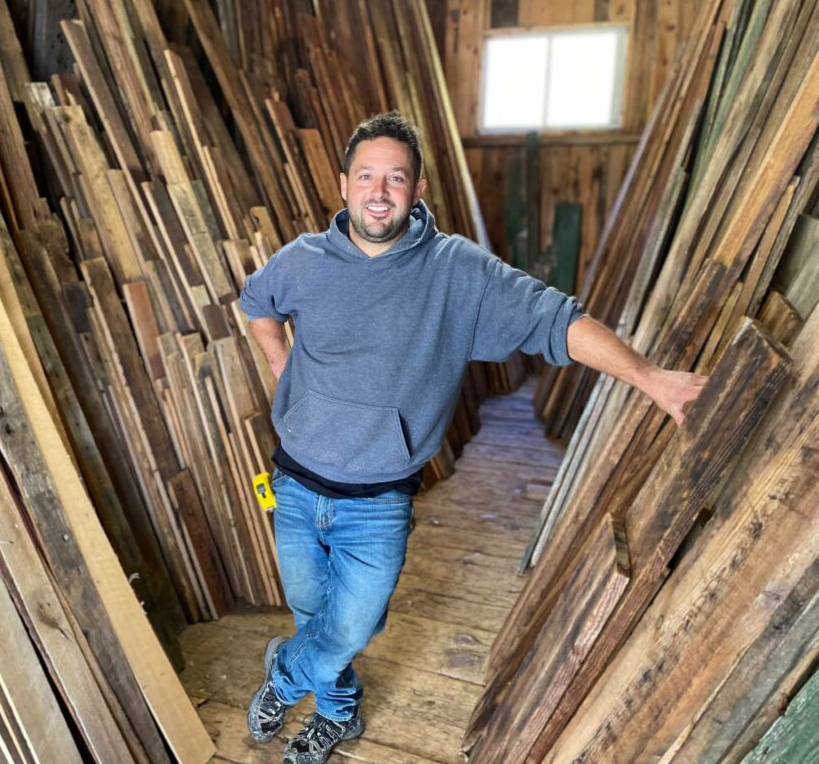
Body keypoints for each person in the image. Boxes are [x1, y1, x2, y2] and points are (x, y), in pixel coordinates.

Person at [240, 112, 706, 764]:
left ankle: (284, 673)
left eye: (395, 179)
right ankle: (339, 715)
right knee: (320, 623)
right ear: (342, 184)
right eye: (366, 176)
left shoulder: (455, 272)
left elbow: (554, 319)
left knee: (350, 626)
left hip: (377, 504)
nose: (379, 191)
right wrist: (281, 366)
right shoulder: (303, 260)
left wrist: (649, 377)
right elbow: (257, 301)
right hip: (293, 488)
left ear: (418, 187)